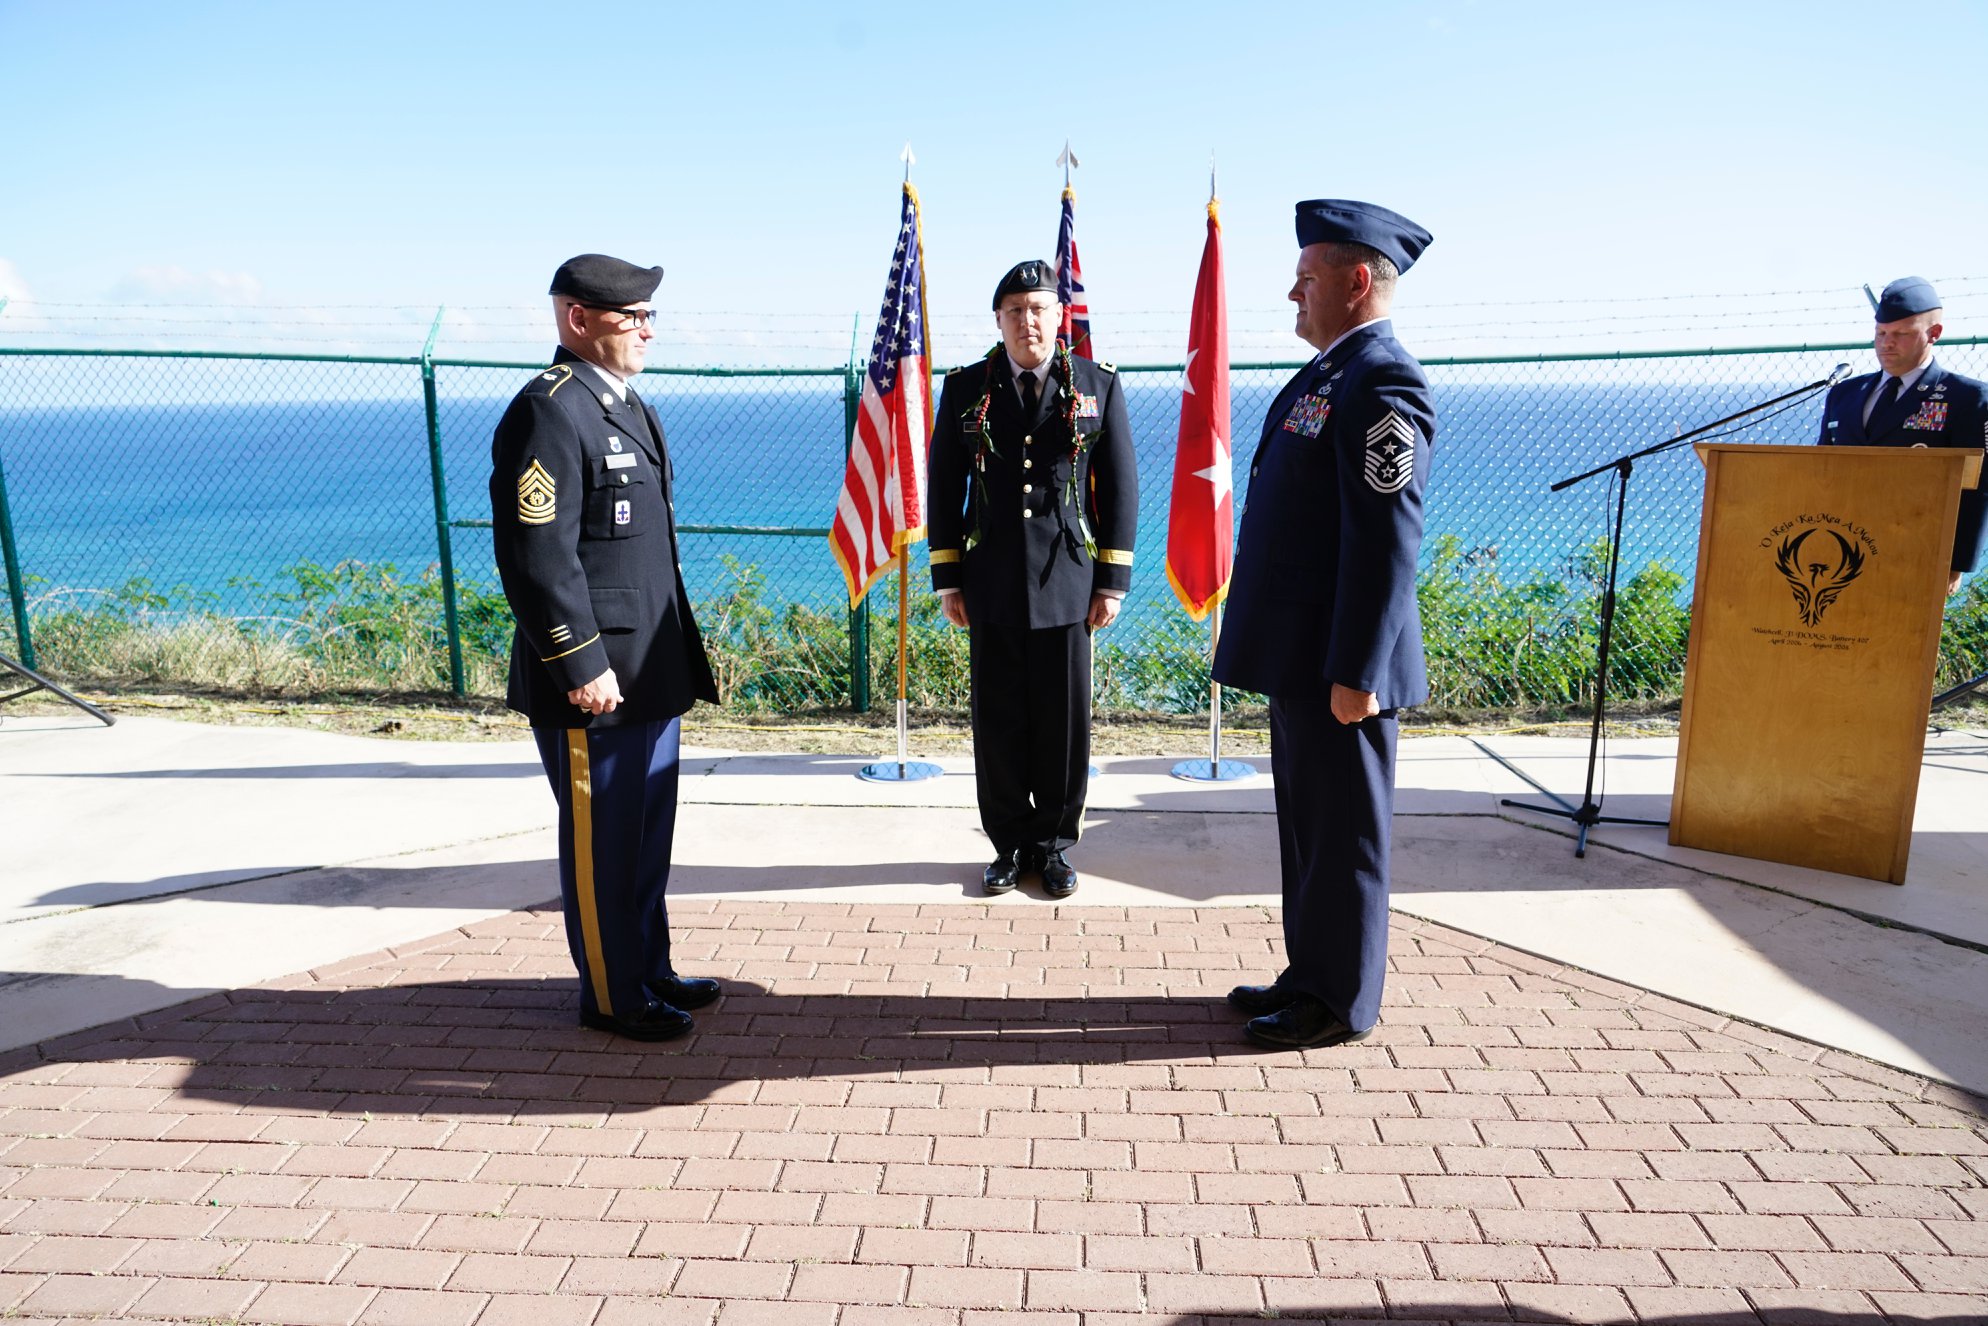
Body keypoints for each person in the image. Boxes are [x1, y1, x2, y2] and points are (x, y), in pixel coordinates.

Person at [1212, 200, 1436, 1049]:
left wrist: (1361, 670)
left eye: (1306, 278)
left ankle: (1341, 1001)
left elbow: (1386, 539)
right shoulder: (1330, 373)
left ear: (1355, 281)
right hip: (1301, 653)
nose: (1291, 293)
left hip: (1341, 662)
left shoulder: (1383, 379)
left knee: (1343, 833)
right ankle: (1309, 971)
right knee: (1308, 826)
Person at [488, 253, 721, 1042]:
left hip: (650, 667)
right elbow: (536, 553)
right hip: (594, 679)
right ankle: (613, 996)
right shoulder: (549, 410)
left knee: (646, 834)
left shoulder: (626, 406)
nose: (647, 330)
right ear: (577, 319)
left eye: (651, 316)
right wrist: (578, 661)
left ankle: (647, 967)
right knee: (602, 845)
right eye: (632, 317)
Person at [926, 260, 1138, 900]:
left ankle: (1052, 846)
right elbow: (943, 487)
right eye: (1015, 311)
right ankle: (1007, 844)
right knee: (998, 722)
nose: (1028, 322)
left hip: (1069, 581)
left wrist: (1112, 581)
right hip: (990, 580)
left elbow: (1121, 487)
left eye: (1039, 309)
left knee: (1062, 722)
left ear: (1059, 318)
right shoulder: (967, 388)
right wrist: (948, 578)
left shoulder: (1096, 385)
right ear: (999, 321)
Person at [1818, 276, 1988, 596]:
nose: (1886, 343)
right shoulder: (1844, 394)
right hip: (1837, 552)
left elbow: (1979, 488)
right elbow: (1822, 471)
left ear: (1933, 334)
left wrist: (1956, 563)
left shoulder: (1968, 398)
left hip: (1916, 553)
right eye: (1881, 333)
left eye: (1901, 334)